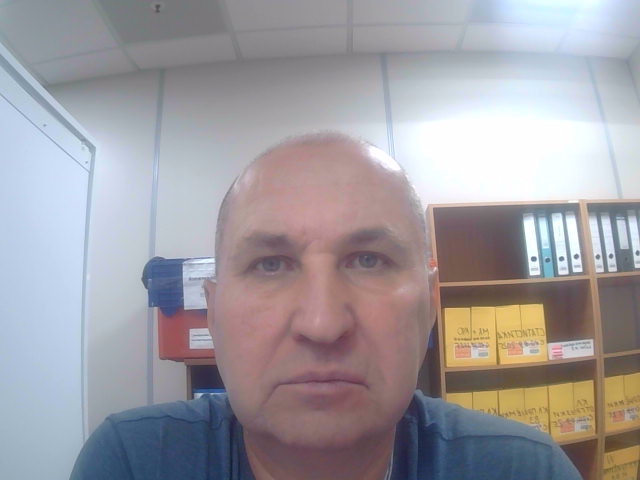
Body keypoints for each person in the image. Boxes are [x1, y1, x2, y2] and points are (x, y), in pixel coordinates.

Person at [71, 132, 582, 479]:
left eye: (368, 260)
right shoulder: (132, 463)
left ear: (429, 307)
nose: (322, 324)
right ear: (214, 313)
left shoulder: (526, 470)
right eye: (270, 265)